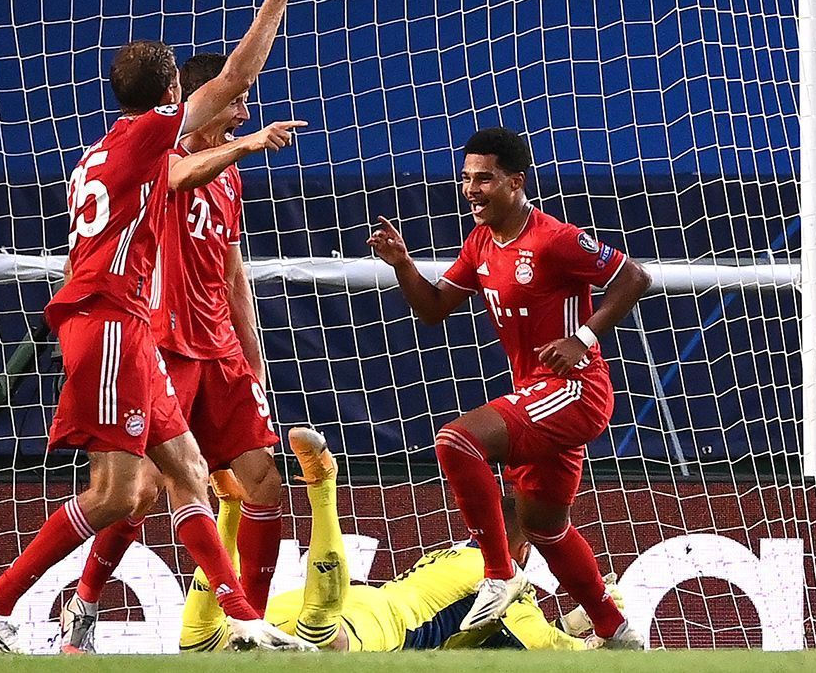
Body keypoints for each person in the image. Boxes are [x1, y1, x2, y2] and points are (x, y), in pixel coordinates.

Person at [0, 0, 311, 653]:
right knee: (120, 495)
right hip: (118, 325)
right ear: (173, 95)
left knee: (185, 476)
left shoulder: (99, 153)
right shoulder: (153, 138)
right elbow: (236, 78)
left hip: (123, 330)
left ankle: (244, 619)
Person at [367, 127, 651, 647]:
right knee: (544, 525)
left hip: (576, 388)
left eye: (485, 179)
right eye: (466, 179)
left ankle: (499, 574)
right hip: (536, 396)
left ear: (516, 181)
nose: (472, 190)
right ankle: (617, 630)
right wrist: (403, 264)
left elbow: (634, 277)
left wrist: (582, 338)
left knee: (458, 441)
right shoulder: (478, 243)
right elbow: (433, 311)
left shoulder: (554, 238)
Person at [60, 54, 305, 652]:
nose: (245, 107)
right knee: (141, 491)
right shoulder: (158, 158)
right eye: (237, 98)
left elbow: (232, 271)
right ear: (200, 101)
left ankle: (254, 622)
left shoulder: (229, 178)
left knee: (265, 483)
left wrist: (252, 355)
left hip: (217, 348)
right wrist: (247, 143)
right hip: (162, 344)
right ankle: (84, 602)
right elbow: (174, 177)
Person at [178, 427, 633, 652]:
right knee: (320, 643)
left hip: (328, 599)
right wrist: (594, 641)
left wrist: (575, 619)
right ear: (525, 549)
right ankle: (322, 485)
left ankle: (230, 504)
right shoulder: (504, 580)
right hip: (380, 623)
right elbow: (542, 647)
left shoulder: (456, 556)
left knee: (203, 646)